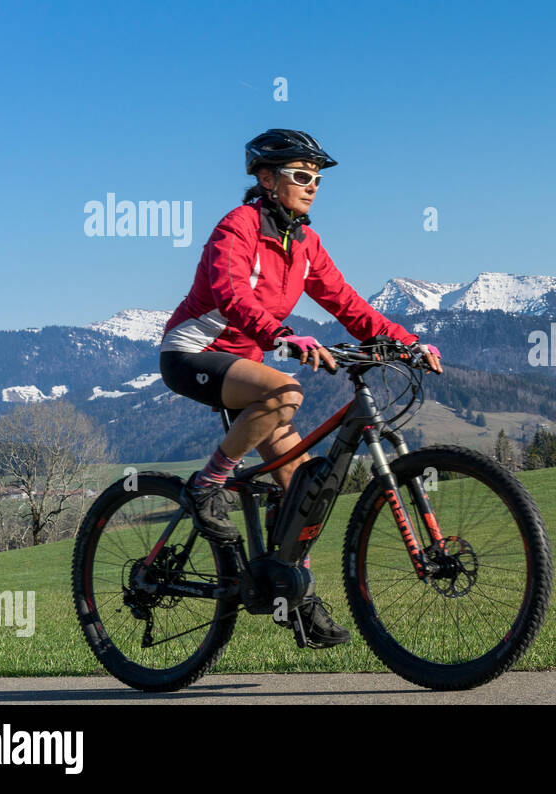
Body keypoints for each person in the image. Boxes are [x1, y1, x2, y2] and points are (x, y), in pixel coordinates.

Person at [157, 129, 441, 648]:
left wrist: (406, 342)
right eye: (301, 176)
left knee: (303, 490)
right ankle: (205, 488)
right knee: (285, 392)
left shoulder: (304, 244)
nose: (312, 187)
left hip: (246, 362)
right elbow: (231, 291)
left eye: (316, 179)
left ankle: (296, 598)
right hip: (191, 354)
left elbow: (348, 304)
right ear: (266, 180)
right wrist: (281, 336)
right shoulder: (238, 227)